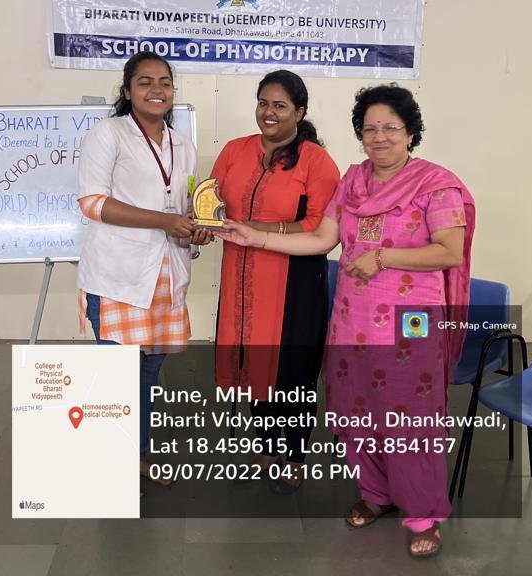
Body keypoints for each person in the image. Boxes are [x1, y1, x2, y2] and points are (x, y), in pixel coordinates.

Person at [216, 84, 475, 557]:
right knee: (358, 411)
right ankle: (376, 494)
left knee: (408, 418)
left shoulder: (435, 184)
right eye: (370, 128)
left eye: (391, 128)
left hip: (410, 326)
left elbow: (449, 251)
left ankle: (423, 515)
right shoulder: (354, 182)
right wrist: (255, 238)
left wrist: (383, 257)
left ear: (411, 132)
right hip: (352, 320)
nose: (379, 137)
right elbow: (321, 239)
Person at [75, 51, 211, 489]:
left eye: (165, 82)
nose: (157, 89)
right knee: (117, 376)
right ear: (128, 90)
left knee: (148, 373)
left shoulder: (183, 146)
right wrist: (164, 221)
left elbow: (185, 205)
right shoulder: (109, 134)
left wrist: (196, 228)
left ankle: (136, 455)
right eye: (145, 82)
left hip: (165, 277)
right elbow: (93, 203)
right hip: (117, 277)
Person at [210, 70, 340, 494]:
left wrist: (256, 228)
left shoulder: (316, 162)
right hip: (242, 277)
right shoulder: (235, 150)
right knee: (255, 365)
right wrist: (200, 223)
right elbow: (211, 204)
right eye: (263, 103)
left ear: (299, 112)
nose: (269, 112)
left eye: (280, 105)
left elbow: (319, 225)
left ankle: (295, 458)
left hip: (294, 281)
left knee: (293, 374)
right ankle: (266, 451)